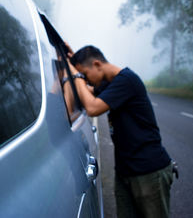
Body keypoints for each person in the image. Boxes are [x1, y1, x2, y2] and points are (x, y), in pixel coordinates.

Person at [66, 44, 174, 218]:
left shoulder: (126, 80)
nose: (85, 80)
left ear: (97, 65)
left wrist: (76, 76)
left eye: (85, 75)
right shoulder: (110, 84)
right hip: (125, 172)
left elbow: (92, 107)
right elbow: (87, 92)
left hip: (149, 172)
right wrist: (69, 59)